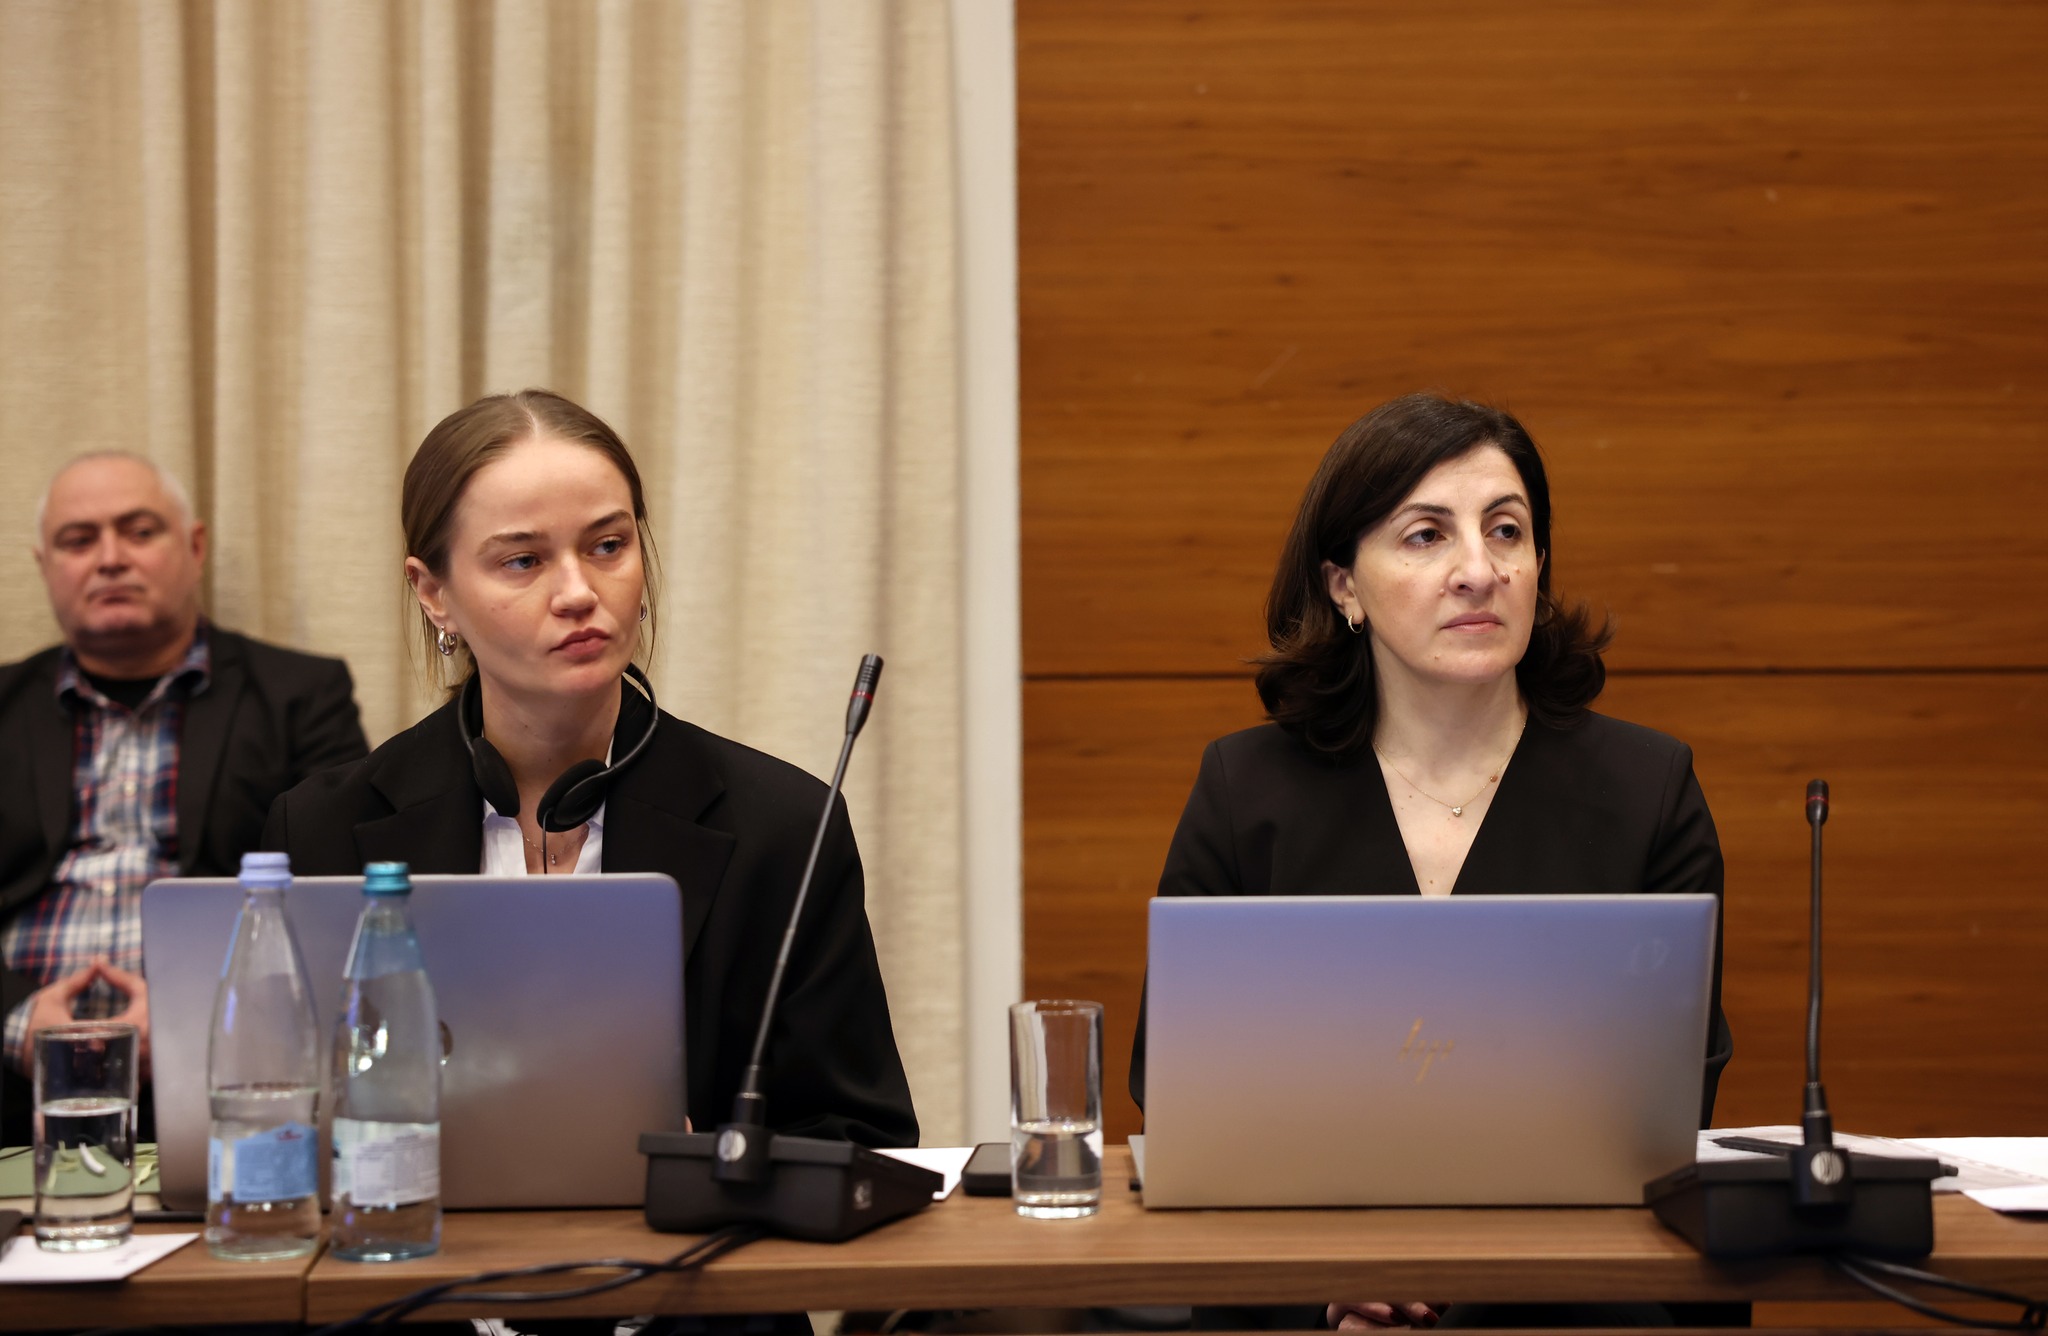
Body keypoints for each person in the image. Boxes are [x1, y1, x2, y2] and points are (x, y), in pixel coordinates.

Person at [1131, 395, 1734, 1331]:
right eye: (1426, 536)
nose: (1479, 571)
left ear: (1538, 565)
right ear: (1344, 587)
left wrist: (1467, 1277)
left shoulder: (1647, 789)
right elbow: (1178, 1095)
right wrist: (1329, 1283)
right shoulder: (1247, 790)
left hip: (1567, 1297)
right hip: (1303, 1290)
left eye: (1506, 530)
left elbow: (1665, 1110)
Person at [262, 389, 917, 1149]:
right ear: (434, 593)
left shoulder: (784, 829)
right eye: (523, 560)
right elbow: (271, 1120)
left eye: (608, 546)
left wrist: (708, 1161)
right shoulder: (322, 830)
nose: (578, 593)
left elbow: (862, 1138)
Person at [0, 453, 369, 1144]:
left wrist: (194, 1006)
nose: (111, 559)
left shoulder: (299, 697)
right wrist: (20, 1022)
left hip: (229, 1066)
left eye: (139, 532)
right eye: (79, 541)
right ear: (44, 565)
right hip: (12, 1077)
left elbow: (336, 895)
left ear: (194, 548)